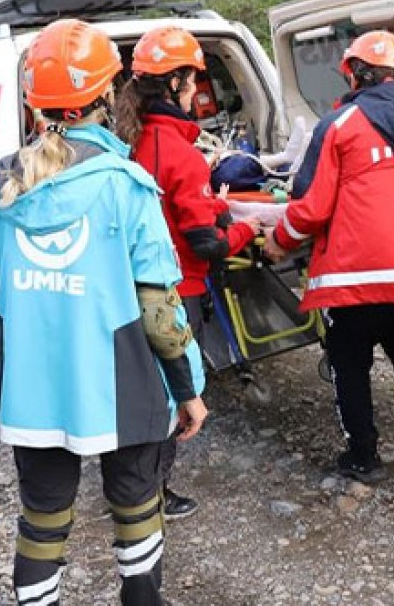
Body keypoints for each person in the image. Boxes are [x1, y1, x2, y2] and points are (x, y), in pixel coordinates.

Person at [0, 18, 208, 605]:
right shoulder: (126, 187)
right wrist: (190, 389)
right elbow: (159, 312)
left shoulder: (2, 187)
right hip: (122, 386)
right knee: (135, 507)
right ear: (106, 95)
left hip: (32, 390)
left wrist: (12, 356)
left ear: (36, 104)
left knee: (42, 520)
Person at [263, 30, 394, 483]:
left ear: (356, 73)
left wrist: (279, 238)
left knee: (348, 358)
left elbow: (310, 205)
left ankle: (363, 455)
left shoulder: (342, 124)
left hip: (361, 270)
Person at [115, 25, 261, 520]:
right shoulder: (179, 151)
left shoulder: (127, 141)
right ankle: (153, 494)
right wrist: (247, 229)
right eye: (191, 79)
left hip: (127, 289)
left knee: (142, 389)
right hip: (178, 292)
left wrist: (208, 208)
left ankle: (137, 485)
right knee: (174, 394)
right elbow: (207, 245)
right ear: (177, 82)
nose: (195, 88)